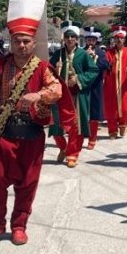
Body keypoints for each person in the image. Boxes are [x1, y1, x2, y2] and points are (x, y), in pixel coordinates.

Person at [0, 0, 63, 247]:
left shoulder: (42, 68)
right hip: (2, 135)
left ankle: (19, 226)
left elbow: (57, 90)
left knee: (28, 184)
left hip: (31, 136)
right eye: (17, 41)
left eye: (26, 41)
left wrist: (39, 95)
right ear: (11, 42)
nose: (21, 45)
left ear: (34, 43)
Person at [48, 25, 100, 168]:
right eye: (67, 37)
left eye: (73, 37)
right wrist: (55, 70)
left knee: (76, 125)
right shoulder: (57, 54)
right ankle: (63, 148)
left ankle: (72, 154)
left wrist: (77, 79)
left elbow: (94, 70)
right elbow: (47, 72)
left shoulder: (83, 55)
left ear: (77, 39)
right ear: (64, 39)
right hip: (60, 95)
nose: (70, 39)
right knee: (56, 123)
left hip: (77, 95)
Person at [104, 25, 127, 138]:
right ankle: (112, 130)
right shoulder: (108, 52)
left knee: (126, 107)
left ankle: (123, 125)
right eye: (117, 38)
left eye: (121, 38)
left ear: (124, 39)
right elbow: (104, 67)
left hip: (125, 84)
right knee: (111, 108)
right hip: (111, 85)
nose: (119, 40)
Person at [83, 27, 109, 149]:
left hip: (96, 87)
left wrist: (94, 58)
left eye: (93, 40)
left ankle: (92, 139)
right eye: (89, 39)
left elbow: (106, 66)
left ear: (96, 40)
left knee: (94, 113)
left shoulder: (101, 52)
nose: (90, 42)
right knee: (82, 111)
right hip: (83, 86)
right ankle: (81, 136)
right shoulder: (80, 51)